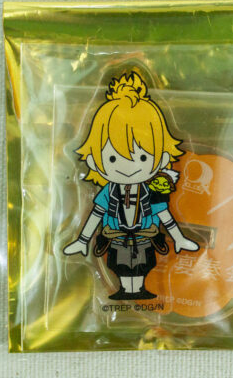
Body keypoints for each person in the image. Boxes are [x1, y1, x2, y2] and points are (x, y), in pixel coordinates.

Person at [63, 72, 199, 300]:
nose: (128, 168)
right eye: (113, 158)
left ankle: (139, 289)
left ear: (162, 158)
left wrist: (178, 237)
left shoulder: (151, 192)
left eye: (143, 157)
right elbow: (97, 213)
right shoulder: (109, 192)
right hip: (116, 237)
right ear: (95, 160)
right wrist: (83, 240)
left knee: (144, 262)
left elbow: (163, 213)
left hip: (145, 237)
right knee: (119, 263)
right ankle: (126, 289)